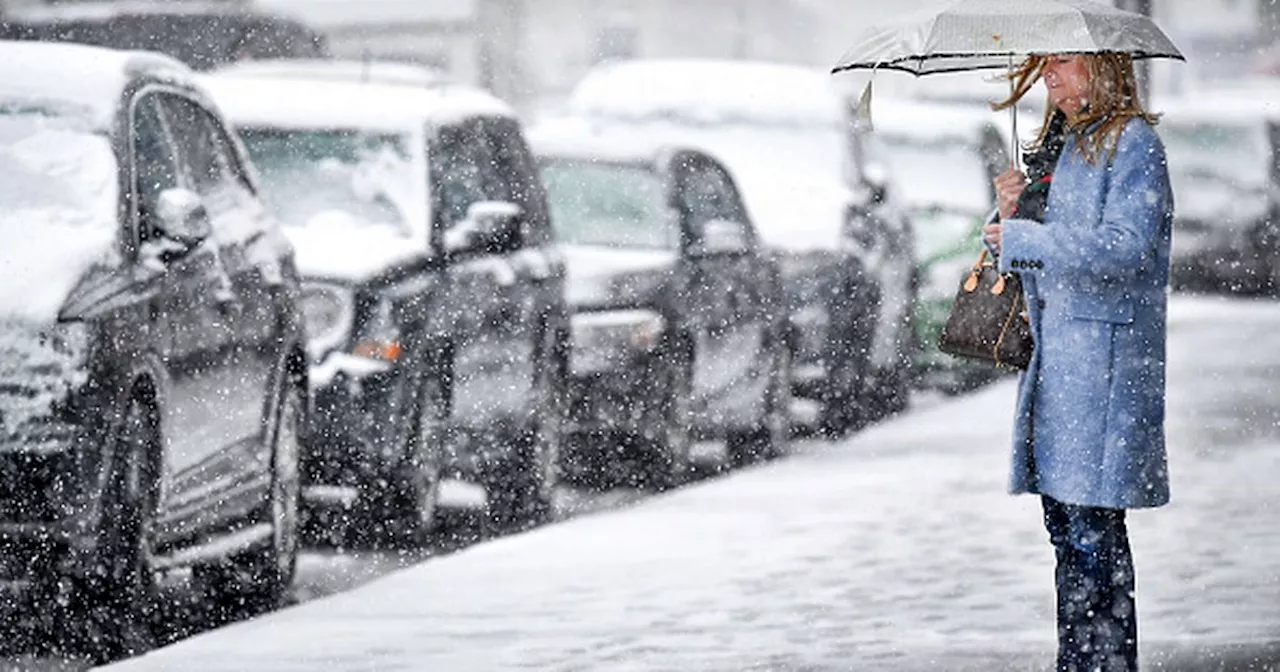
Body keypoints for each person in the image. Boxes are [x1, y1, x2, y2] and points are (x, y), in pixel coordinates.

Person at [982, 52, 1174, 672]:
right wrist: (1007, 214)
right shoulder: (1059, 143)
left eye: (1063, 65)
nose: (1049, 78)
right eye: (1044, 68)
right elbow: (1027, 253)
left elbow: (1127, 249)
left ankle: (1104, 663)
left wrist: (1026, 238)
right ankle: (1082, 662)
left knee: (1093, 538)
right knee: (1067, 535)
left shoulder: (1132, 143)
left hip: (1104, 370)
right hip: (1061, 369)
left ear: (1105, 69)